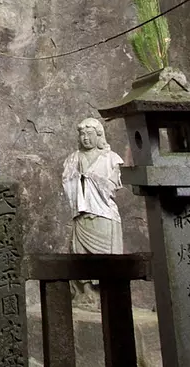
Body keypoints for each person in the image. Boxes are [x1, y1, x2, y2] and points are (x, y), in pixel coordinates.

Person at [61, 118, 124, 306]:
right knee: (81, 254)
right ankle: (86, 291)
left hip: (104, 214)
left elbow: (112, 186)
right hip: (82, 214)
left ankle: (106, 292)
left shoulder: (111, 158)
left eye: (89, 134)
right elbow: (67, 181)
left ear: (99, 135)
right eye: (82, 134)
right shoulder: (73, 158)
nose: (85, 138)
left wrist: (92, 178)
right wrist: (79, 179)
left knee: (107, 256)